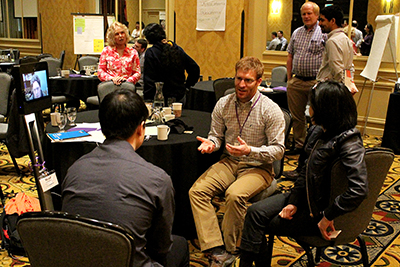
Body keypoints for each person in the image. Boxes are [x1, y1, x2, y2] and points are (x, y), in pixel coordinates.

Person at [239, 80, 368, 267]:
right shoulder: (318, 131)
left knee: (258, 224)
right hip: (304, 197)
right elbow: (305, 172)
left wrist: (327, 215)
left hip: (320, 212)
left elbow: (359, 189)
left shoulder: (349, 141)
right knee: (254, 212)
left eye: (312, 104)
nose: (309, 108)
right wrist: (293, 202)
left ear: (326, 109)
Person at [61, 89, 189, 267]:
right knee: (180, 245)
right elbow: (160, 247)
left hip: (77, 261)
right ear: (140, 128)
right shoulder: (158, 180)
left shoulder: (74, 169)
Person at [189, 56, 285, 266]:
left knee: (234, 195)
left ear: (259, 81)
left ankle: (232, 249)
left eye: (248, 80)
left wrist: (250, 150)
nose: (241, 84)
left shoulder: (270, 110)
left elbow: (278, 150)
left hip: (259, 167)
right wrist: (212, 145)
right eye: (239, 78)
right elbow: (216, 135)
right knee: (197, 192)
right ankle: (215, 246)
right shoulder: (224, 104)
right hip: (230, 161)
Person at [286, 1, 325, 155]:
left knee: (317, 116)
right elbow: (290, 56)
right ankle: (299, 145)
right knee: (297, 116)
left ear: (316, 15)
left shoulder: (324, 32)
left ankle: (314, 146)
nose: (306, 16)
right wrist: (289, 78)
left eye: (309, 13)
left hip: (315, 81)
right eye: (304, 13)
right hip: (296, 81)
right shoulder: (296, 32)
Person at [143, 23, 200, 104]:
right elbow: (194, 69)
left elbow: (149, 80)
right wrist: (187, 86)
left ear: (149, 39)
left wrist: (148, 99)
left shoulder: (151, 53)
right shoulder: (177, 49)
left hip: (159, 98)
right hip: (179, 96)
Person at [316, 5, 354, 84]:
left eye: (322, 20)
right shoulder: (346, 39)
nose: (319, 24)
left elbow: (337, 70)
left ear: (333, 21)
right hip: (341, 87)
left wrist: (343, 88)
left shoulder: (332, 41)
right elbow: (350, 68)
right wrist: (349, 84)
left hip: (330, 88)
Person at [98, 21, 141, 86]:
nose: (120, 36)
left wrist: (127, 81)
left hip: (127, 87)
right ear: (112, 37)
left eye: (122, 33)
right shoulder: (106, 51)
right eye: (117, 34)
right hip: (110, 86)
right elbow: (100, 71)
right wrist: (112, 79)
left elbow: (137, 72)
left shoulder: (133, 52)